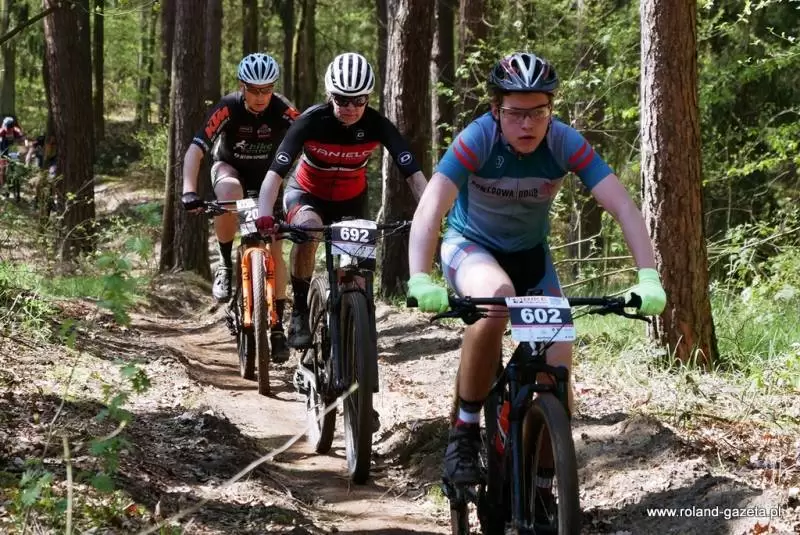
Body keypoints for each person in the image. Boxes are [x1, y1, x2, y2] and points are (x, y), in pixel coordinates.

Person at [405, 52, 666, 496]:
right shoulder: (478, 138)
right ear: (495, 110)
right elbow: (431, 205)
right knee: (496, 299)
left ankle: (542, 488)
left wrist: (648, 277)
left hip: (531, 257)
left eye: (538, 112)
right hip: (471, 248)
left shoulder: (563, 141)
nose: (527, 124)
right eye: (515, 113)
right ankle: (464, 433)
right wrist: (419, 276)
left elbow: (622, 204)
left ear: (551, 109)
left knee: (556, 370)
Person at [256, 52, 428, 352]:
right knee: (308, 231)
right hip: (306, 194)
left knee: (357, 273)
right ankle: (299, 310)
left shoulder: (377, 124)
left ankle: (353, 325)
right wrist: (263, 214)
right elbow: (275, 174)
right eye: (341, 99)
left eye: (358, 100)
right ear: (329, 95)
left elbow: (414, 175)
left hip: (351, 201)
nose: (350, 108)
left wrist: (430, 213)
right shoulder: (311, 121)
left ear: (368, 98)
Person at [181, 53, 299, 362]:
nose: (260, 97)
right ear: (241, 86)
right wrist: (189, 190)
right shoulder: (229, 106)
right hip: (229, 169)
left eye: (267, 89)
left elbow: (308, 139)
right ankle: (225, 264)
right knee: (229, 192)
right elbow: (196, 149)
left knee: (275, 249)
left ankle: (277, 325)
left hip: (268, 179)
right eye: (253, 90)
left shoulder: (282, 108)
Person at [0, 116, 26, 192]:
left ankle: (16, 178)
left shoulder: (16, 131)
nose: (7, 130)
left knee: (17, 162)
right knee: (2, 168)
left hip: (12, 149)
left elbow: (22, 141)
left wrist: (22, 151)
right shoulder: (2, 131)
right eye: (6, 128)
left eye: (9, 129)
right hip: (2, 148)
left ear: (12, 127)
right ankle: (3, 186)